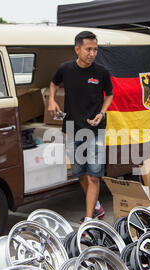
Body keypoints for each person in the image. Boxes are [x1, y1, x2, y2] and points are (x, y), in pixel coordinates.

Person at [49, 31, 113, 223]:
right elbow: (53, 83)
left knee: (94, 175)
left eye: (95, 49)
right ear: (77, 49)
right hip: (71, 129)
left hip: (95, 130)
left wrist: (102, 112)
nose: (92, 53)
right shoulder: (65, 69)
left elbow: (109, 94)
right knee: (80, 173)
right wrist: (51, 101)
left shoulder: (102, 72)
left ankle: (88, 219)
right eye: (88, 49)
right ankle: (96, 206)